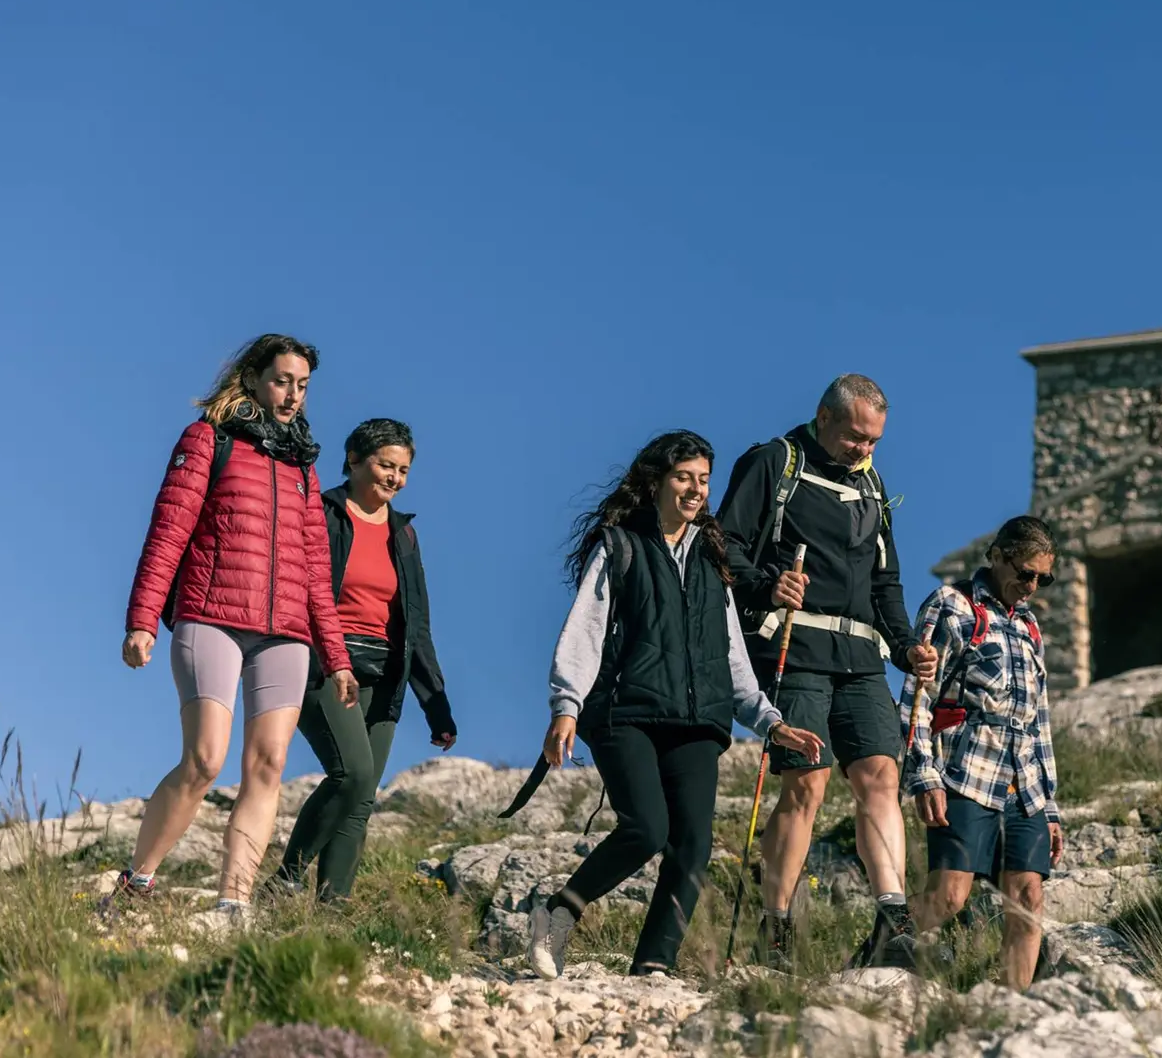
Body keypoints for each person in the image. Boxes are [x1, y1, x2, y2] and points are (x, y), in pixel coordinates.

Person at [527, 429, 824, 980]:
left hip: (696, 720)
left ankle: (654, 965)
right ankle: (557, 915)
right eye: (683, 477)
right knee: (646, 828)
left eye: (703, 480)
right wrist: (566, 706)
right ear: (657, 481)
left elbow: (730, 651)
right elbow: (585, 631)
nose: (695, 490)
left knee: (692, 845)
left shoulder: (713, 558)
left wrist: (770, 722)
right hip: (625, 710)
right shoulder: (620, 546)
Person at [114, 334, 355, 921]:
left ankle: (233, 902)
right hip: (211, 617)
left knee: (268, 764)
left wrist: (338, 656)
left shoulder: (303, 465)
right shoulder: (207, 440)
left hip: (286, 632)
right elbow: (169, 530)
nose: (292, 395)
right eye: (282, 381)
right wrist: (144, 619)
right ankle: (136, 881)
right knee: (204, 760)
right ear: (251, 378)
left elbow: (315, 571)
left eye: (302, 385)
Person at [714, 374, 939, 971]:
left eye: (873, 441)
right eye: (854, 437)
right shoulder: (772, 463)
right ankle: (777, 928)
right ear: (823, 418)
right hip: (793, 647)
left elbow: (885, 582)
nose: (863, 450)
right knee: (806, 787)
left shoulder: (871, 483)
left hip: (862, 658)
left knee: (880, 778)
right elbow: (724, 546)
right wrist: (770, 582)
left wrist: (907, 643)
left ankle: (893, 919)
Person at [274, 418, 459, 902]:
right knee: (351, 773)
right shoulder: (321, 511)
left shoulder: (404, 535)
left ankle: (334, 907)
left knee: (360, 800)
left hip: (385, 674)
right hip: (324, 663)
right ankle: (286, 878)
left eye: (403, 470)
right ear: (354, 459)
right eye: (384, 465)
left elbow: (416, 623)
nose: (394, 478)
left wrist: (436, 706)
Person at [903, 516, 1064, 991]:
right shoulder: (951, 607)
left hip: (1024, 785)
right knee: (950, 896)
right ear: (996, 556)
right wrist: (924, 775)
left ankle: (1013, 1006)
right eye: (1026, 572)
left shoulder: (1030, 626)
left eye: (1043, 578)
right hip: (966, 772)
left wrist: (1049, 805)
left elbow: (1039, 719)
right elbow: (918, 694)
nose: (1032, 585)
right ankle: (882, 948)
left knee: (1028, 898)